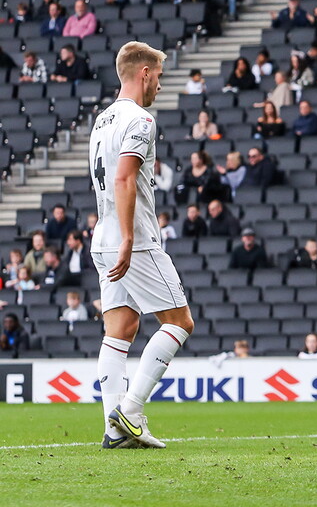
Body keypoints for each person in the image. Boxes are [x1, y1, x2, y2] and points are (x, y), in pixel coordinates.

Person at [88, 41, 194, 449]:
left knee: (119, 330)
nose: (160, 87)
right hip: (133, 239)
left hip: (102, 236)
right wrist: (131, 237)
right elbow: (123, 179)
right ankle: (129, 411)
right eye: (160, 77)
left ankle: (114, 431)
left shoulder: (101, 120)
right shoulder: (142, 120)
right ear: (144, 73)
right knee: (180, 322)